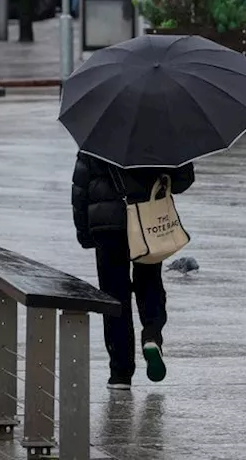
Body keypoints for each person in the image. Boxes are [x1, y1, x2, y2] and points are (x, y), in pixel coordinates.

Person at [72, 152, 196, 390]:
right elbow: (183, 181)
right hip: (147, 221)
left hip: (107, 225)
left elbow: (80, 189)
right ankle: (151, 336)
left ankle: (120, 373)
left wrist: (85, 234)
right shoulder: (162, 135)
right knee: (149, 282)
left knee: (114, 295)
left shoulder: (96, 137)